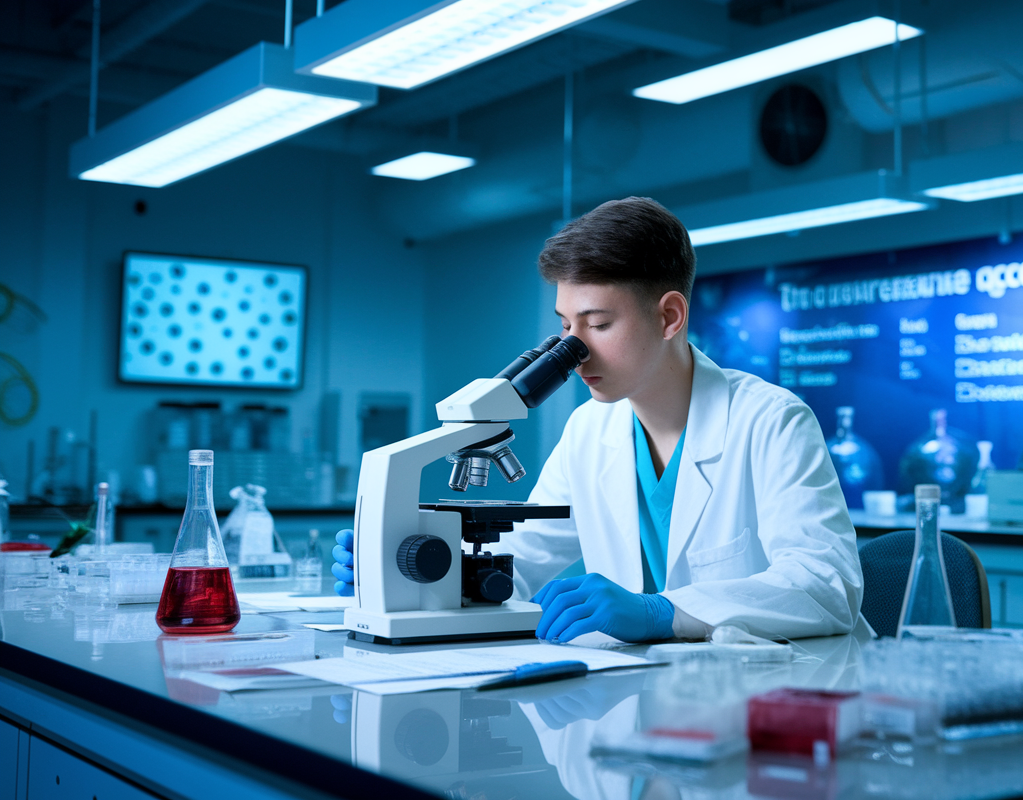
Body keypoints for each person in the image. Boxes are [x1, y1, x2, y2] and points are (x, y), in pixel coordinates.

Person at [333, 197, 872, 643]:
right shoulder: (590, 430)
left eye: (598, 324)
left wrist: (661, 611)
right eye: (566, 326)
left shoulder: (771, 421)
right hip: (645, 702)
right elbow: (522, 563)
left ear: (669, 317)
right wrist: (422, 572)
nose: (575, 351)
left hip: (775, 703)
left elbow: (826, 586)